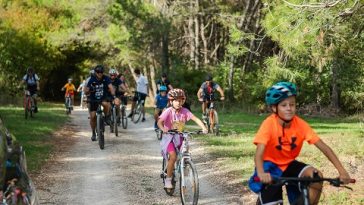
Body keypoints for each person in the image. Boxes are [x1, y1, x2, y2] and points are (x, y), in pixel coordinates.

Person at [249, 82, 351, 205]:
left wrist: (342, 171)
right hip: (269, 166)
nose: (289, 108)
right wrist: (261, 173)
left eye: (292, 104)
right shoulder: (269, 124)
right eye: (284, 105)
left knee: (316, 176)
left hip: (289, 164)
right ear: (274, 108)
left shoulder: (301, 125)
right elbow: (259, 153)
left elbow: (324, 148)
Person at [157, 88, 208, 192]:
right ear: (171, 101)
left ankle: (185, 168)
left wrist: (204, 127)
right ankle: (168, 179)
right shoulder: (168, 111)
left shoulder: (185, 111)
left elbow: (196, 119)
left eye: (180, 100)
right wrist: (163, 129)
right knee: (173, 157)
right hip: (169, 138)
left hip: (180, 136)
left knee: (185, 153)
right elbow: (159, 122)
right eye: (175, 100)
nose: (178, 102)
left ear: (183, 101)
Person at [84, 65, 120, 141]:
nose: (100, 74)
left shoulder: (106, 78)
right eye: (98, 72)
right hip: (93, 99)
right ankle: (93, 133)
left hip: (103, 97)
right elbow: (86, 90)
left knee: (106, 104)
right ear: (95, 72)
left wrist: (114, 96)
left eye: (101, 72)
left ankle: (107, 117)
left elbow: (111, 87)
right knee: (93, 117)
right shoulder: (92, 79)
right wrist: (90, 89)